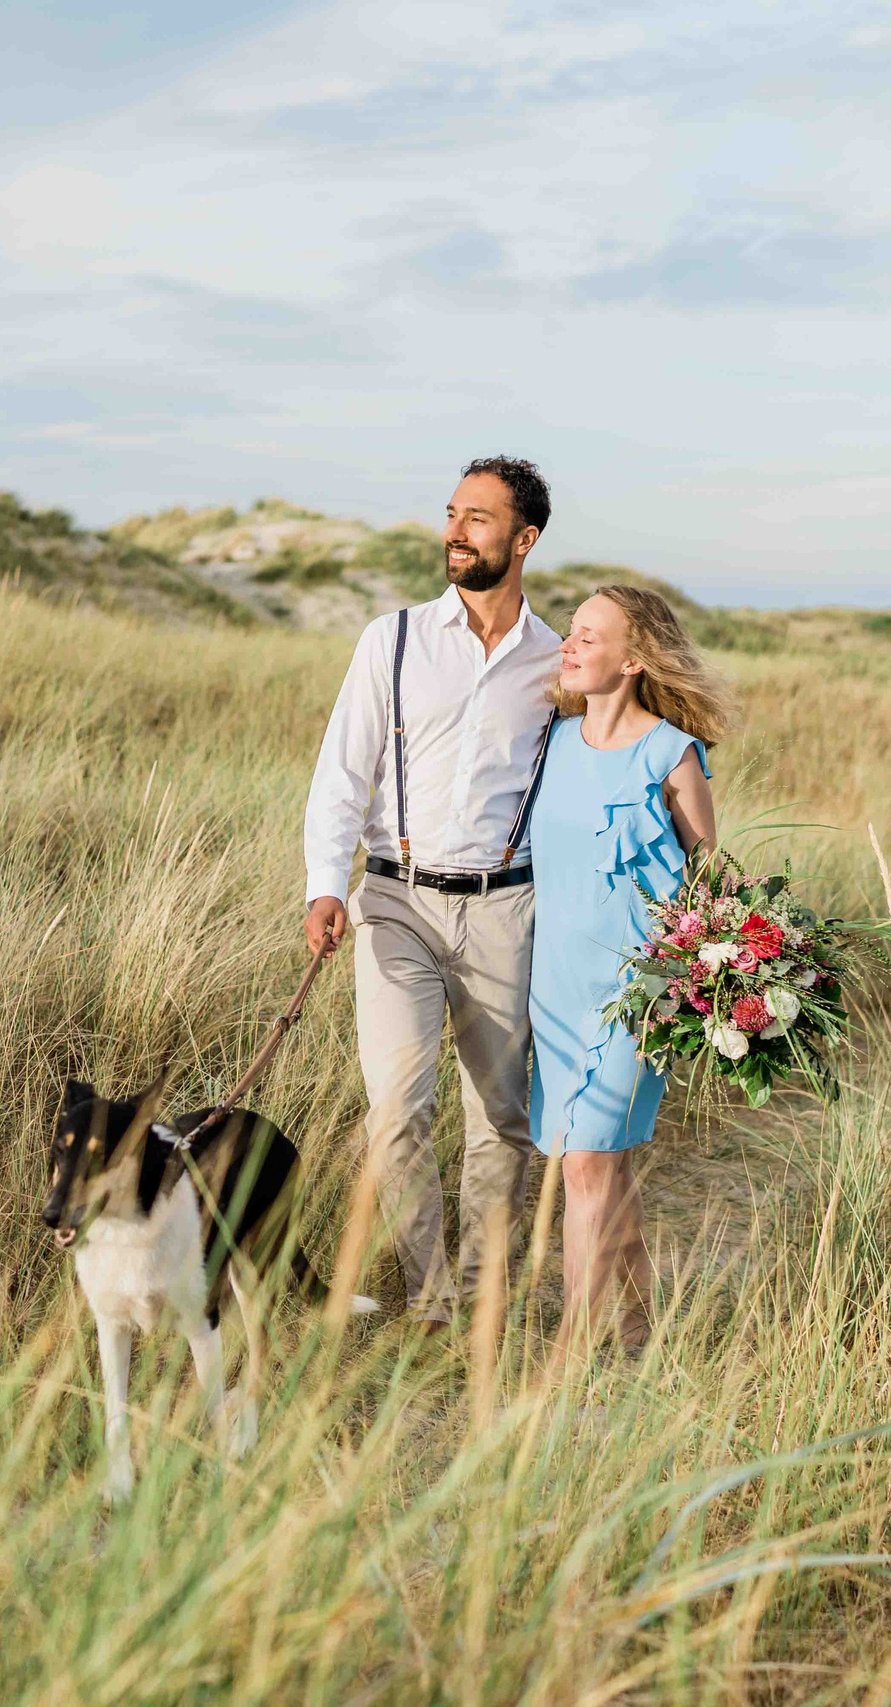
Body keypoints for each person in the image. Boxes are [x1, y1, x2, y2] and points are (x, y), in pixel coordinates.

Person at [301, 456, 562, 1330]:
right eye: (453, 513)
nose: (455, 530)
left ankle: (484, 1284)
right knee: (396, 1106)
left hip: (505, 908)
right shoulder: (394, 637)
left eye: (479, 518)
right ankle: (434, 1293)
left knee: (501, 1115)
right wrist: (321, 884)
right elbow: (343, 774)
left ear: (523, 539)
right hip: (394, 901)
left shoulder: (558, 662)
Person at [526, 584, 732, 1347]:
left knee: (585, 1165)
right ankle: (643, 1324)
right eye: (570, 633)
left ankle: (574, 1354)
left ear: (635, 658)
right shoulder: (551, 742)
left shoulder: (669, 752)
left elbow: (712, 872)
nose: (569, 646)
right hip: (554, 990)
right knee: (600, 1168)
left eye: (588, 635)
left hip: (639, 992)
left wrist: (753, 963)